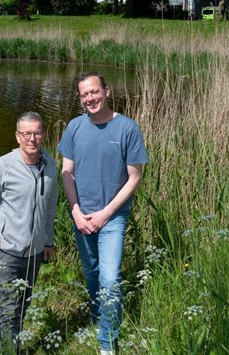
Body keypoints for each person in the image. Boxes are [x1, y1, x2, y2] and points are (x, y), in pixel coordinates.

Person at [57, 72, 148, 354]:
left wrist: (106, 213)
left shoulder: (127, 128)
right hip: (81, 216)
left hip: (113, 217)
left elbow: (134, 177)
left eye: (94, 92)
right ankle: (100, 315)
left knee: (109, 278)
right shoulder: (74, 127)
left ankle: (107, 342)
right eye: (84, 94)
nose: (90, 98)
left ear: (107, 92)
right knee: (92, 271)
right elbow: (66, 172)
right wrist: (75, 211)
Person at [0, 111, 57, 353]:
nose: (32, 138)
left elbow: (50, 205)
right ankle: (10, 350)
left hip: (35, 252)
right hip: (7, 252)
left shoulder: (50, 164)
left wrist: (48, 241)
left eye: (37, 133)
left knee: (23, 305)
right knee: (6, 310)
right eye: (26, 133)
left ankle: (13, 346)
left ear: (43, 135)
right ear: (17, 136)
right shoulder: (1, 166)